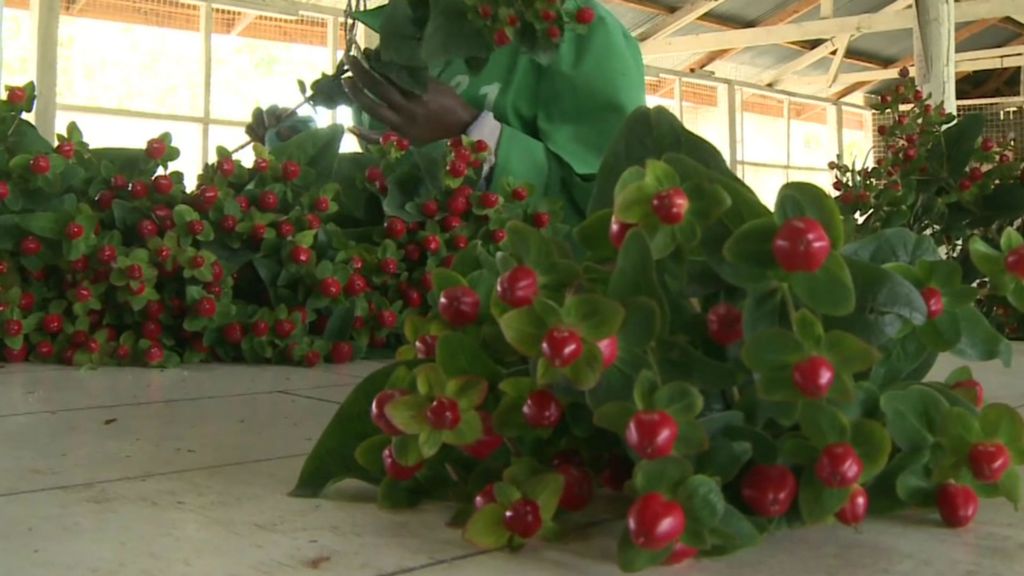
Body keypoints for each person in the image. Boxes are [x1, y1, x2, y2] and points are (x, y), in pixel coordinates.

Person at [263, 0, 646, 224]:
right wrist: (302, 157)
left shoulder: (579, 37)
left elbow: (609, 216)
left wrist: (472, 137)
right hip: (409, 320)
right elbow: (387, 200)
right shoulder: (404, 35)